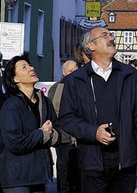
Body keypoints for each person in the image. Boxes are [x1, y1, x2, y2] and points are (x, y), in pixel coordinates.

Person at [58, 27, 137, 193]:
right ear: (91, 46)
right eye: (104, 35)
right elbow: (67, 118)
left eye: (111, 34)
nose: (111, 38)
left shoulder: (130, 76)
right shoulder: (75, 80)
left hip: (125, 160)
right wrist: (93, 132)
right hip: (92, 162)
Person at [0, 55, 59, 192]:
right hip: (18, 178)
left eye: (30, 65)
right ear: (15, 79)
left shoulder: (44, 101)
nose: (31, 68)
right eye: (24, 67)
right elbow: (14, 143)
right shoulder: (11, 106)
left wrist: (51, 135)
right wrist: (41, 134)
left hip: (40, 175)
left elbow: (58, 130)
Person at [48, 60, 80, 193]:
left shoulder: (81, 86)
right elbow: (53, 112)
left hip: (79, 136)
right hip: (64, 137)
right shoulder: (57, 88)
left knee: (77, 170)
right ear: (64, 72)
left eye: (75, 70)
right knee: (64, 168)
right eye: (70, 71)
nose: (73, 73)